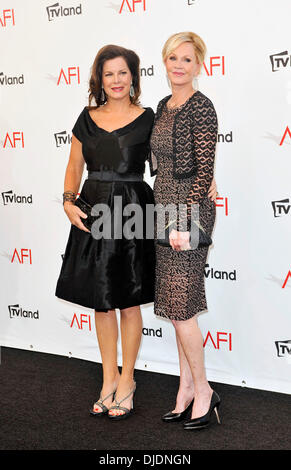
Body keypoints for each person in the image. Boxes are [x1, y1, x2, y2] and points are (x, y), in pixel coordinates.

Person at [55, 44, 156, 420]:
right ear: (100, 78)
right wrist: (68, 201)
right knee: (102, 300)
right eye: (108, 73)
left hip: (134, 209)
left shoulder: (149, 118)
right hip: (93, 209)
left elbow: (173, 162)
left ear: (133, 76)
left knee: (129, 299)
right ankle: (108, 378)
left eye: (123, 72)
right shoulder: (86, 117)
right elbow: (73, 166)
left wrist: (205, 180)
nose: (116, 80)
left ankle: (127, 380)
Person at [150, 32, 221, 430]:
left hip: (188, 213)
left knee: (182, 306)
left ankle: (205, 390)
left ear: (198, 65)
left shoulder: (202, 108)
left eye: (187, 59)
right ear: (165, 62)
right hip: (163, 208)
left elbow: (204, 168)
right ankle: (185, 388)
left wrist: (183, 222)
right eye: (173, 58)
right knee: (179, 308)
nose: (179, 65)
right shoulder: (162, 105)